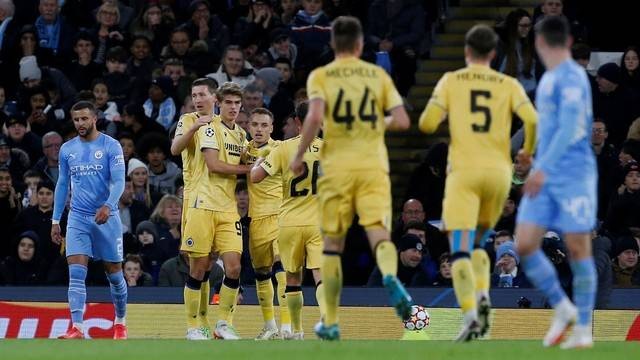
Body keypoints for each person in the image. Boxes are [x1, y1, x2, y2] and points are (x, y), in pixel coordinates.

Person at [289, 16, 413, 340]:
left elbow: (314, 117)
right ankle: (389, 275)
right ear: (360, 45)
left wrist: (299, 155)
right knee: (378, 231)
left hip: (337, 168)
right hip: (373, 165)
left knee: (332, 245)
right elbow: (402, 121)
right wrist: (374, 122)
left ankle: (329, 321)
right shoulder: (376, 75)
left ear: (333, 45)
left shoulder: (321, 75)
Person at [419, 24, 538, 341]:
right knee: (480, 243)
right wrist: (525, 153)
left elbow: (427, 123)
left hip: (465, 172)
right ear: (494, 54)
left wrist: (445, 114)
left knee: (459, 248)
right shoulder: (508, 83)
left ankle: (471, 315)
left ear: (467, 52)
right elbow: (533, 119)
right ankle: (485, 308)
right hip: (498, 173)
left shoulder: (451, 80)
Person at [514, 16, 598, 349]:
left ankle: (584, 328)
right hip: (544, 172)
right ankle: (562, 307)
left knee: (578, 248)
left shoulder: (574, 78)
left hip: (574, 174)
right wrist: (531, 156)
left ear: (540, 43)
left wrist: (542, 168)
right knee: (524, 244)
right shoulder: (547, 80)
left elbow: (569, 129)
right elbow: (549, 129)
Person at [175, 80, 251, 340]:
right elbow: (214, 165)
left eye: (236, 103)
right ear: (219, 103)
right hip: (201, 204)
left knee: (234, 267)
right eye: (227, 102)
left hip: (228, 209)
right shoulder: (206, 126)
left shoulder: (241, 134)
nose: (232, 107)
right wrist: (249, 169)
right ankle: (194, 326)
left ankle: (224, 324)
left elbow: (250, 159)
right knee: (199, 268)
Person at [51, 101, 128, 340]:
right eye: (76, 120)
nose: (80, 124)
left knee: (115, 274)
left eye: (85, 119)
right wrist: (55, 220)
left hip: (107, 218)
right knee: (76, 272)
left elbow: (119, 181)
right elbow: (62, 184)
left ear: (94, 118)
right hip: (78, 217)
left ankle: (120, 322)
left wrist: (108, 205)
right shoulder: (67, 149)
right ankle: (77, 327)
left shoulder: (111, 146)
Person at [251, 106, 324, 340]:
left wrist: (258, 160)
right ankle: (326, 323)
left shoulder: (284, 148)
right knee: (320, 275)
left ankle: (297, 330)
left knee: (292, 278)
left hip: (289, 222)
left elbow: (256, 177)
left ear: (297, 122)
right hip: (317, 222)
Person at [170, 77, 215, 339]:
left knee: (210, 262)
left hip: (221, 201)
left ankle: (205, 322)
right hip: (196, 198)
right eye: (194, 95)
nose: (197, 100)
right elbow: (175, 149)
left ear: (214, 98)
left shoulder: (223, 124)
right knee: (197, 261)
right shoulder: (188, 120)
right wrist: (194, 127)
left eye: (202, 95)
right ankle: (193, 325)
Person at [243, 108, 290, 339]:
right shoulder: (246, 151)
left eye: (264, 125)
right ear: (249, 127)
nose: (259, 129)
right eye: (255, 125)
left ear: (272, 128)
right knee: (262, 272)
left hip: (280, 215)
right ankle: (270, 326)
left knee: (282, 267)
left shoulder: (281, 149)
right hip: (257, 219)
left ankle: (287, 326)